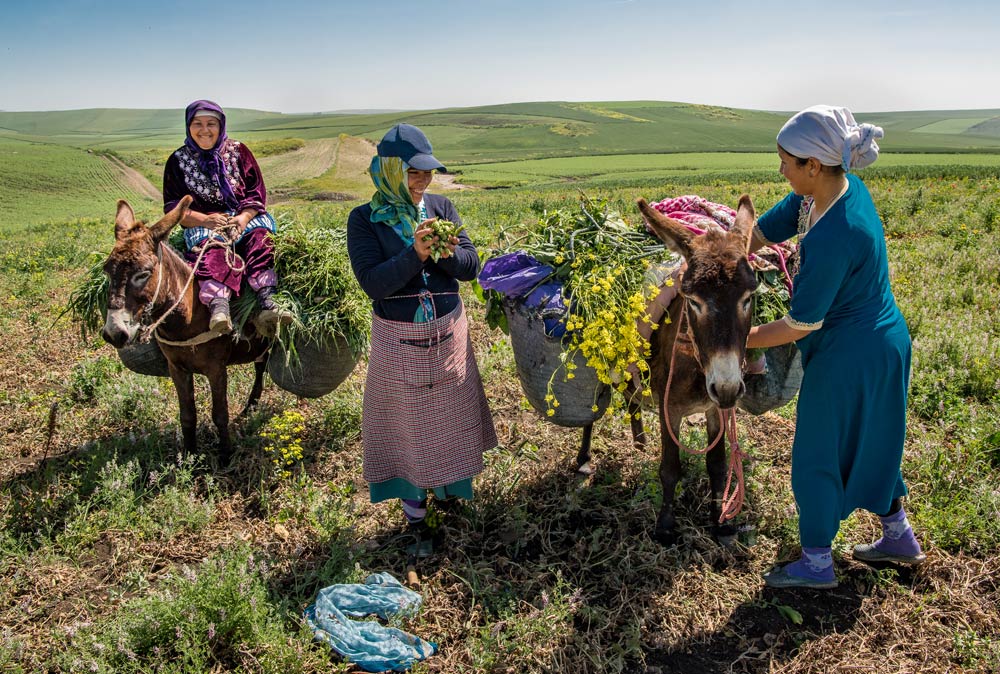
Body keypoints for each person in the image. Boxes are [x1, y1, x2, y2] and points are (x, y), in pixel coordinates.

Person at [746, 105, 925, 589]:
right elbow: (776, 222)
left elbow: (800, 323)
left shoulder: (836, 233)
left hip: (852, 355)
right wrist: (739, 244)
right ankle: (898, 536)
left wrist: (740, 337)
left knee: (818, 451)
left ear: (812, 165)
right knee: (877, 439)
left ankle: (817, 563)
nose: (779, 168)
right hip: (884, 343)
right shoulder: (828, 194)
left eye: (786, 161)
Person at [346, 123, 497, 553]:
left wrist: (445, 250)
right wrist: (415, 253)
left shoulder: (443, 207)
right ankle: (415, 516)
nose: (423, 181)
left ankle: (451, 497)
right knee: (408, 428)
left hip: (448, 335)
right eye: (414, 173)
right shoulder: (364, 220)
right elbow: (374, 284)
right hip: (399, 341)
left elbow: (470, 266)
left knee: (450, 419)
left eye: (428, 173)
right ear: (390, 171)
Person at [163, 99, 290, 335]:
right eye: (197, 123)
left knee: (261, 240)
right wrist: (206, 220)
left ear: (221, 126)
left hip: (244, 218)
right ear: (188, 126)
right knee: (212, 251)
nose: (205, 130)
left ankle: (267, 300)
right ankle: (219, 307)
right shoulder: (177, 161)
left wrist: (242, 219)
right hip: (203, 222)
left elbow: (255, 192)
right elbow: (173, 207)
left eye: (211, 123)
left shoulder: (239, 152)